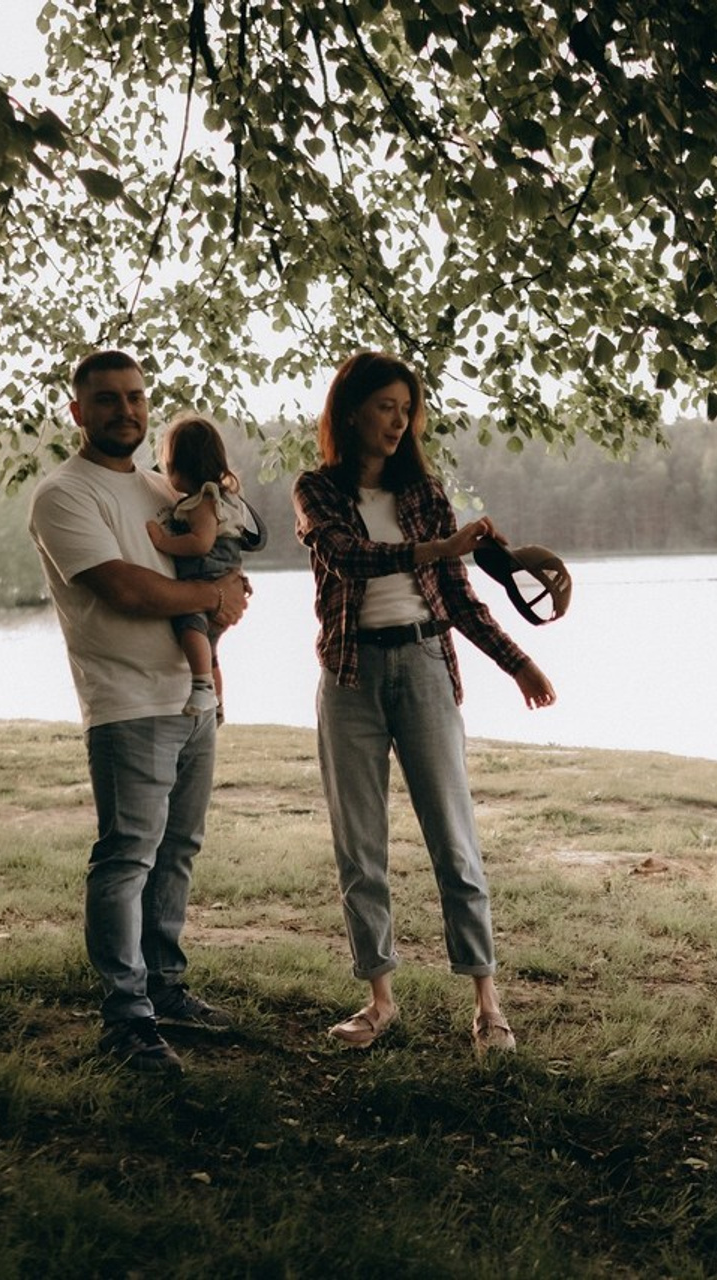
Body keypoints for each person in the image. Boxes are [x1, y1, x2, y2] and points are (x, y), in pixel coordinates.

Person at [292, 350, 557, 1056]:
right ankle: (380, 1000)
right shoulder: (315, 490)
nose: (398, 422)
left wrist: (519, 662)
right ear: (351, 411)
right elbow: (347, 555)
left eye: (406, 410)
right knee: (360, 847)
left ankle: (487, 1004)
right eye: (386, 407)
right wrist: (440, 546)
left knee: (455, 840)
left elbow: (460, 600)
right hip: (349, 677)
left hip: (424, 666)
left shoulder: (424, 493)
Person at [29, 350, 251, 1075]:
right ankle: (126, 1020)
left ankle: (166, 989)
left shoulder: (164, 488)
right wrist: (212, 597)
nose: (125, 410)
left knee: (178, 851)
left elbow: (213, 570)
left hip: (192, 699)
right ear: (77, 412)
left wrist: (222, 620)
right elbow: (124, 588)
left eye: (135, 397)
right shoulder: (64, 494)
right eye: (107, 399)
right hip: (126, 705)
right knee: (127, 859)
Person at [146, 412, 263, 722]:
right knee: (210, 652)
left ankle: (201, 687)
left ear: (180, 468)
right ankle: (218, 705)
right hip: (224, 577)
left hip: (208, 576)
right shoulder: (224, 497)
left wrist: (164, 541)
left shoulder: (202, 502)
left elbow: (201, 543)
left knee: (190, 626)